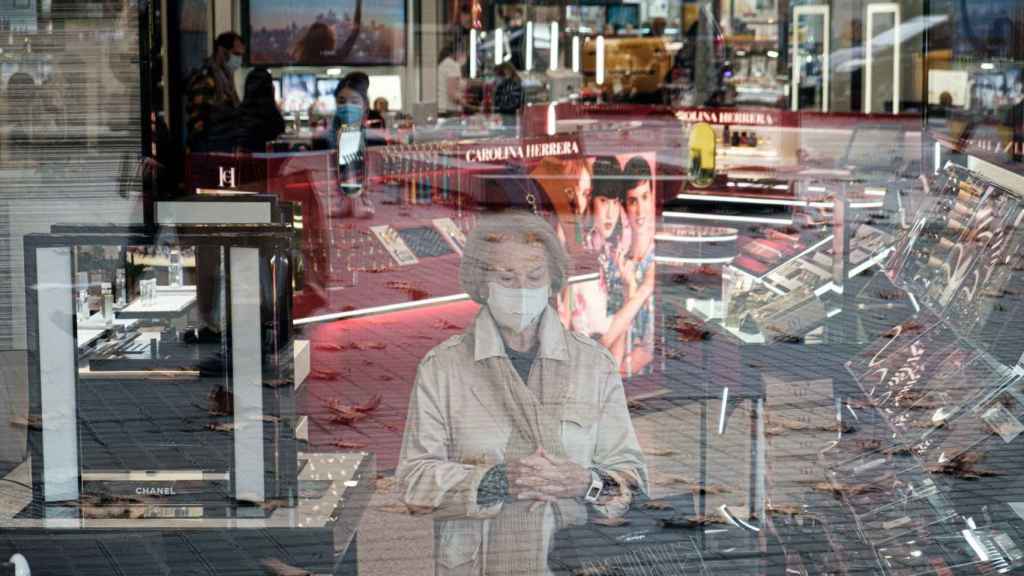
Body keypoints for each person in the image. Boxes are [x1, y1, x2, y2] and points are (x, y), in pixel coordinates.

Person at [398, 211, 647, 576]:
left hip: (573, 561)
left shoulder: (594, 365)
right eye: (506, 278)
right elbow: (413, 482)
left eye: (534, 277)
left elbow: (631, 483)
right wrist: (494, 481)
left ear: (552, 282)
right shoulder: (443, 368)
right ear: (482, 283)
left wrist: (585, 482)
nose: (522, 289)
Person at [602, 156, 656, 376]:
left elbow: (651, 349)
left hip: (644, 381)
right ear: (624, 206)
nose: (640, 210)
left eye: (645, 197)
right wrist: (631, 290)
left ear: (652, 197)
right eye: (633, 201)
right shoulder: (616, 264)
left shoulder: (657, 262)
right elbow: (608, 337)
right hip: (613, 374)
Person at [185, 31, 245, 153]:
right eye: (236, 54)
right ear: (221, 51)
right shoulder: (206, 78)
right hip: (210, 151)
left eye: (241, 55)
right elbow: (197, 122)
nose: (239, 59)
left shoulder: (226, 78)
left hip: (223, 148)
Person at [237, 68, 285, 152]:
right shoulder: (271, 117)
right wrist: (273, 102)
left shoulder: (240, 114)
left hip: (245, 163)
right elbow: (279, 130)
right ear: (269, 89)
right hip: (264, 161)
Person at [437, 43, 467, 116]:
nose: (465, 57)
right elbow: (452, 93)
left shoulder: (444, 63)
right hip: (451, 110)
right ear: (458, 53)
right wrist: (464, 102)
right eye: (464, 54)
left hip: (442, 109)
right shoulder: (453, 65)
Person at [493, 62, 523, 127]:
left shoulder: (514, 84)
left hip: (510, 116)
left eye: (498, 75)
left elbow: (514, 103)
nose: (496, 78)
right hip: (505, 116)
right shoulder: (504, 84)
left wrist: (499, 108)